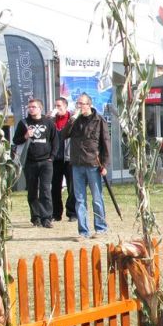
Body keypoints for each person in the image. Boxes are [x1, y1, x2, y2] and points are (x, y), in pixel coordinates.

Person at [61, 93, 111, 240]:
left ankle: (101, 228)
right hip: (77, 164)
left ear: (89, 105)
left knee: (97, 198)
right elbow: (64, 135)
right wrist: (71, 119)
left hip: (93, 164)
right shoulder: (74, 121)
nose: (79, 106)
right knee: (80, 199)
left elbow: (106, 142)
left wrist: (105, 164)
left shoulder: (98, 120)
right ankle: (83, 232)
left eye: (82, 104)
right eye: (78, 103)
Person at [12, 98, 57, 228]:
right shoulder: (24, 123)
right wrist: (25, 136)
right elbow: (16, 140)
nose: (31, 109)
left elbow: (55, 141)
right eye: (29, 107)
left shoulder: (48, 122)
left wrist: (52, 157)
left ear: (40, 108)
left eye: (34, 107)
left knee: (45, 189)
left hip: (46, 162)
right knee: (32, 190)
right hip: (30, 162)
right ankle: (35, 217)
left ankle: (47, 218)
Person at [51, 97, 77, 222]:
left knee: (72, 187)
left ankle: (72, 212)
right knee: (55, 187)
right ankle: (56, 213)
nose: (57, 108)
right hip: (56, 158)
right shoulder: (51, 120)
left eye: (59, 106)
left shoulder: (73, 119)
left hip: (69, 158)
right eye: (56, 105)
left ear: (66, 106)